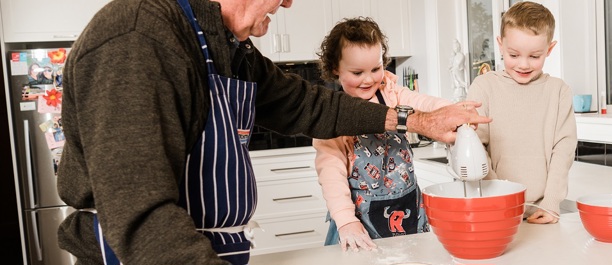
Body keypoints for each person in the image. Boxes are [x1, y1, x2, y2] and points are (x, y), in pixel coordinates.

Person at [56, 1, 491, 264]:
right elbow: (142, 217)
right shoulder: (137, 37)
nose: (286, 4)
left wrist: (416, 120)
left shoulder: (230, 48)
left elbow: (310, 106)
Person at [313, 17, 453, 252]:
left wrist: (450, 111)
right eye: (357, 72)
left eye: (376, 69)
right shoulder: (331, 117)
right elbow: (331, 176)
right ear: (336, 68)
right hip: (360, 220)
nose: (369, 79)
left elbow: (423, 102)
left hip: (407, 208)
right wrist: (346, 221)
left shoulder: (391, 94)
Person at [466, 1, 577, 225]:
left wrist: (552, 202)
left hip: (540, 211)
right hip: (493, 209)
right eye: (514, 55)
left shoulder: (558, 91)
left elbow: (563, 150)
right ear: (500, 44)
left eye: (535, 56)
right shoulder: (484, 87)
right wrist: (501, 196)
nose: (524, 64)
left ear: (550, 49)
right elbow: (474, 146)